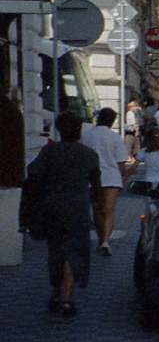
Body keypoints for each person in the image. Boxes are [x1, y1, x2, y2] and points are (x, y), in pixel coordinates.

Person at [20, 110, 102, 317]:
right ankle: (67, 299)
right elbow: (97, 188)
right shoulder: (89, 154)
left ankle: (56, 294)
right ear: (79, 130)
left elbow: (33, 173)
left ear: (58, 129)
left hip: (53, 208)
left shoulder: (49, 152)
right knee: (74, 252)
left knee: (56, 251)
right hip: (78, 210)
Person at [82, 107, 137, 256]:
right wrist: (122, 178)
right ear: (112, 121)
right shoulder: (114, 137)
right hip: (111, 178)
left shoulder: (86, 136)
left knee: (97, 211)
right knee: (109, 211)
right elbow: (121, 162)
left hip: (92, 179)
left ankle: (100, 240)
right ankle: (106, 241)